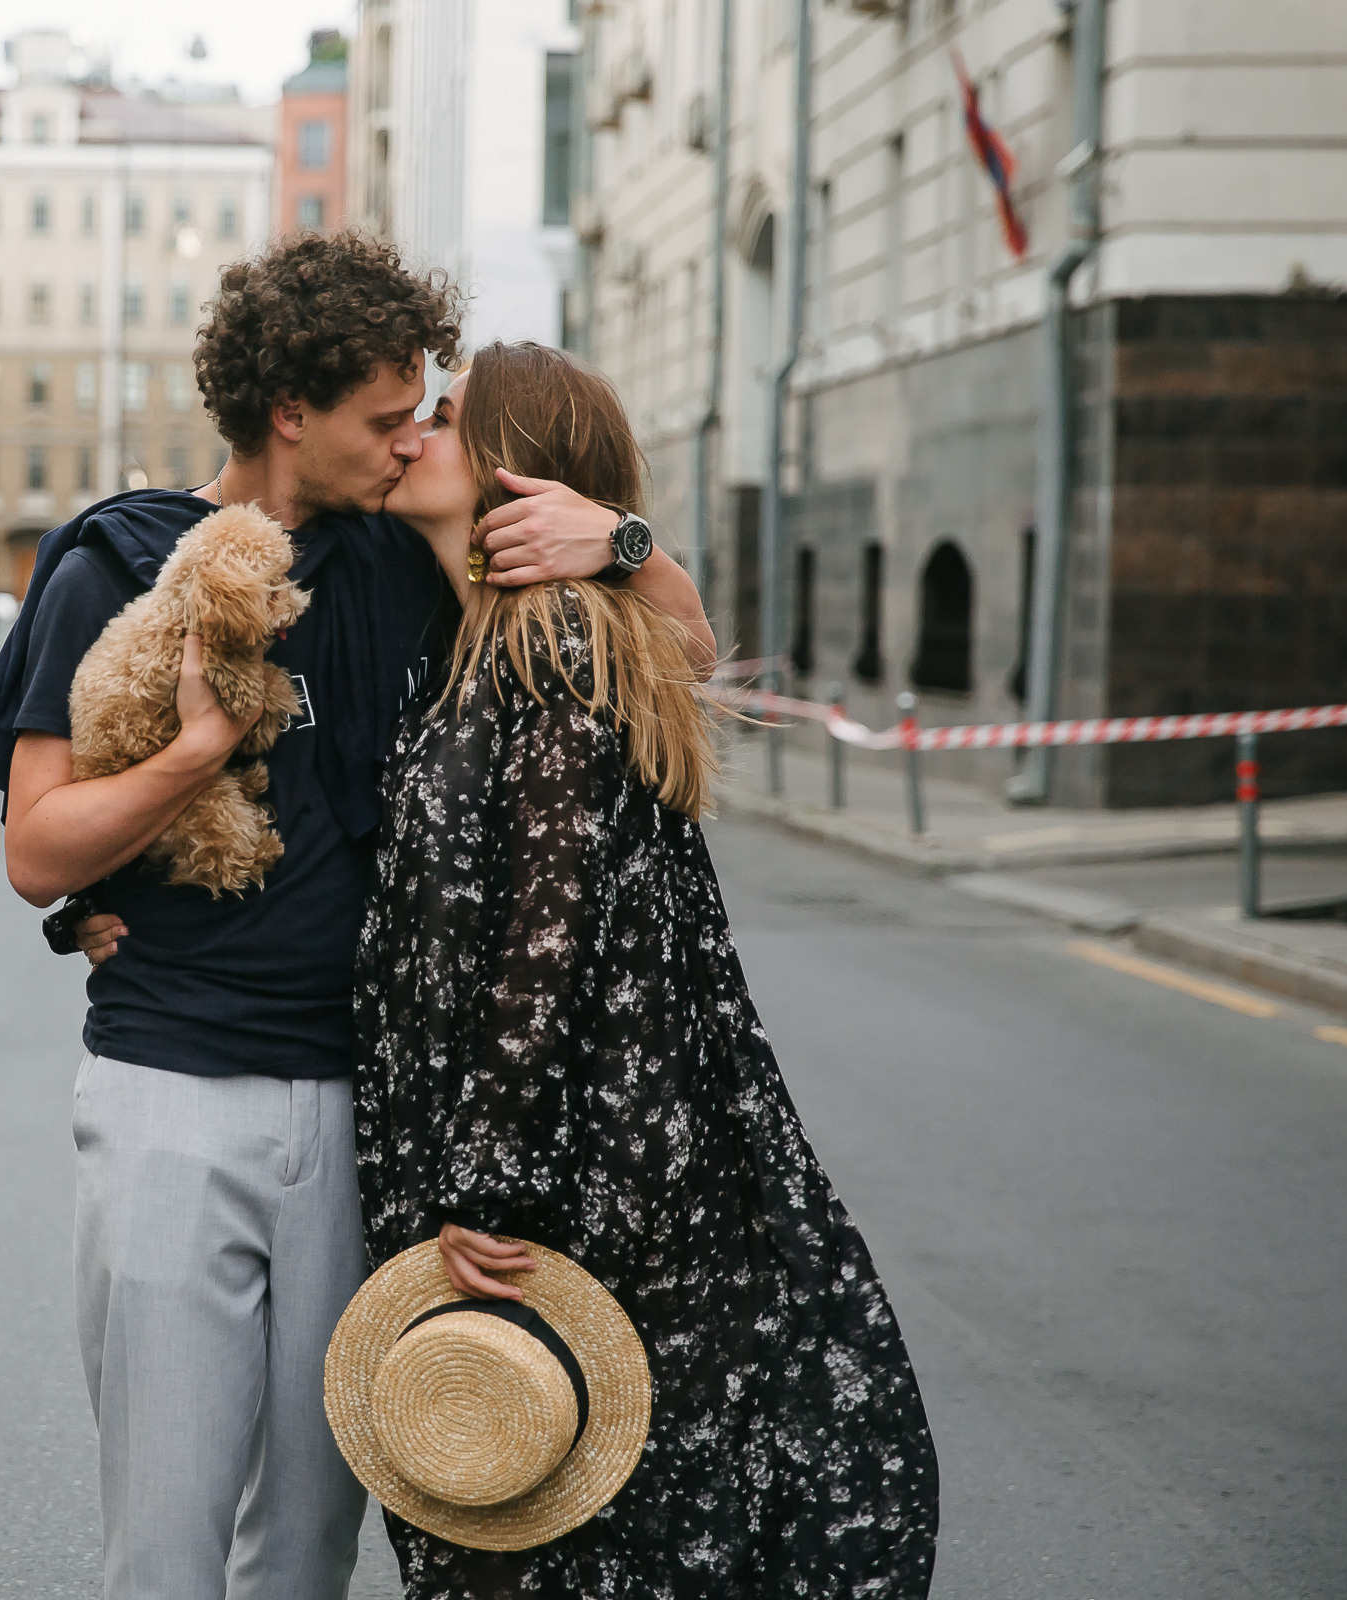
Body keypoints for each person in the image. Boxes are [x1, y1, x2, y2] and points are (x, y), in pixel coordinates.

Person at [0, 233, 713, 1600]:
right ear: (288, 413)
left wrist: (620, 542)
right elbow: (35, 851)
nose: (405, 442)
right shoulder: (119, 564)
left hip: (363, 1119)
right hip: (171, 1093)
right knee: (168, 1533)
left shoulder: (398, 557)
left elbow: (676, 651)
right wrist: (194, 757)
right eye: (384, 418)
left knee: (311, 1545)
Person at [352, 340, 939, 1598]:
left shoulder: (550, 642)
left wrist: (486, 1179)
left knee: (554, 1518)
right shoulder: (503, 635)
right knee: (561, 1520)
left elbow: (544, 940)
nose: (410, 437)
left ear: (511, 466)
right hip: (552, 1159)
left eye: (441, 421)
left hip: (548, 1181)